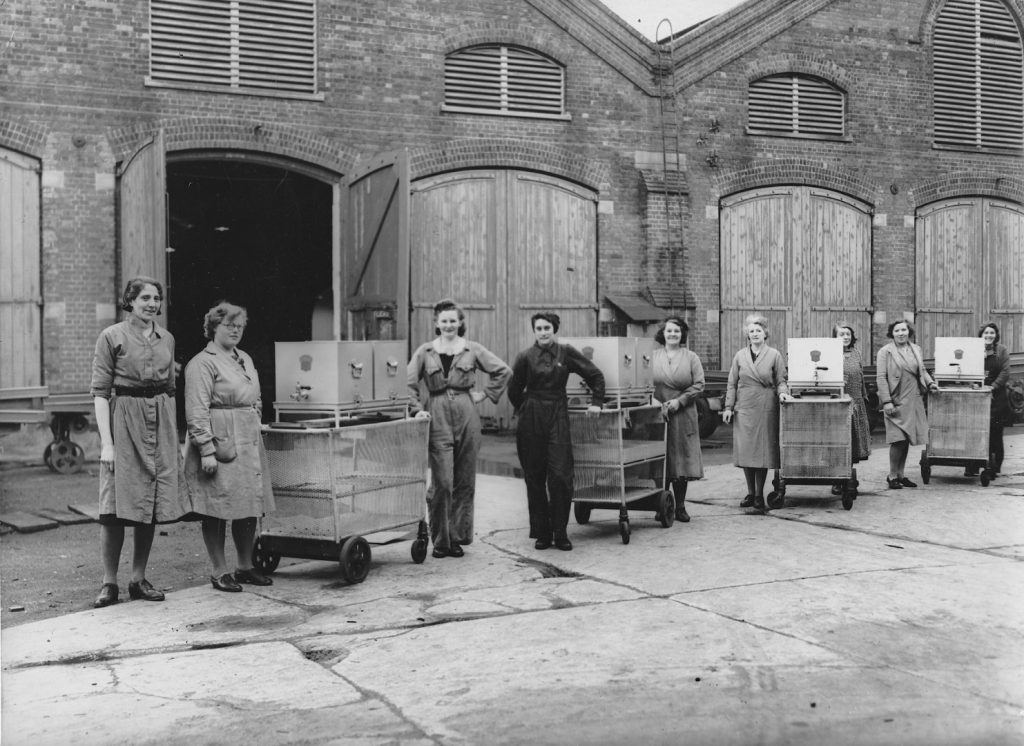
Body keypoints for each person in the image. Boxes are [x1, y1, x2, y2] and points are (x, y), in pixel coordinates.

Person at [90, 277, 189, 608]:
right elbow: (101, 394)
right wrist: (107, 443)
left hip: (159, 423)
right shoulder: (111, 337)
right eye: (145, 297)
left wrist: (175, 440)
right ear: (129, 301)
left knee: (150, 503)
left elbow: (171, 391)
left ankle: (138, 577)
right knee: (115, 506)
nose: (152, 303)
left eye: (157, 298)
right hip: (124, 422)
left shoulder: (167, 339)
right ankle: (108, 583)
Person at [408, 299, 512, 559]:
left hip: (467, 413)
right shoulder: (425, 351)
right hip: (437, 413)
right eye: (444, 321)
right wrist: (415, 408)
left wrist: (485, 394)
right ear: (436, 323)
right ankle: (440, 540)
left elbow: (503, 371)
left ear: (460, 323)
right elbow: (407, 383)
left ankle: (457, 537)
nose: (449, 325)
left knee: (464, 480)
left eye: (453, 320)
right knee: (443, 482)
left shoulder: (472, 349)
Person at [183, 302, 275, 592]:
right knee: (217, 506)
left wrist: (255, 417)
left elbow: (254, 396)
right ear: (213, 328)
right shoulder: (203, 362)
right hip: (220, 438)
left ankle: (245, 566)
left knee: (249, 503)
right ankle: (219, 570)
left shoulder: (244, 358)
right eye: (229, 325)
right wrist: (207, 449)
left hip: (247, 436)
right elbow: (196, 410)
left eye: (240, 325)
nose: (235, 330)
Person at [508, 313, 605, 551]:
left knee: (561, 476)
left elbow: (595, 375)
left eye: (547, 327)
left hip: (558, 414)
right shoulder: (525, 357)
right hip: (531, 417)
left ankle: (560, 532)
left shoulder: (566, 352)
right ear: (534, 331)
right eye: (539, 328)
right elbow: (513, 389)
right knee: (535, 476)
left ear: (555, 329)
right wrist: (526, 409)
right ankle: (542, 533)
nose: (543, 332)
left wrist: (597, 402)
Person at [721, 314, 791, 512]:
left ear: (765, 333)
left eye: (758, 330)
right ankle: (750, 492)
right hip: (744, 408)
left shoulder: (775, 355)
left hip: (766, 408)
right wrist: (728, 407)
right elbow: (732, 383)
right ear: (747, 334)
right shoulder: (739, 356)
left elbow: (781, 380)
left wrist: (783, 394)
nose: (754, 334)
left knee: (762, 452)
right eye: (751, 331)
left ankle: (759, 494)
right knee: (746, 451)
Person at [651, 317, 705, 522]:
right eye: (669, 331)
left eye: (677, 331)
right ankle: (661, 505)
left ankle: (680, 506)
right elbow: (644, 381)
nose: (673, 334)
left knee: (681, 460)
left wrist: (679, 401)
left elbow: (699, 385)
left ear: (682, 335)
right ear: (662, 334)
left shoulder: (691, 357)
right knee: (660, 459)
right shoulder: (653, 356)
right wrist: (657, 403)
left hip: (683, 414)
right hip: (657, 413)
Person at [875, 319, 939, 490]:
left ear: (909, 331)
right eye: (897, 330)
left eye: (904, 329)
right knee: (897, 439)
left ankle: (901, 475)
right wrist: (886, 401)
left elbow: (922, 370)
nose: (901, 333)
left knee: (906, 438)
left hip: (913, 398)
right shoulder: (885, 352)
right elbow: (881, 377)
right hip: (895, 399)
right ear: (892, 333)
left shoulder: (916, 349)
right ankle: (892, 475)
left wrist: (931, 383)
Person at [966, 322, 1011, 478]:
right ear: (981, 335)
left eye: (992, 333)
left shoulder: (1002, 351)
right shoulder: (974, 351)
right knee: (974, 432)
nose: (989, 336)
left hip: (997, 398)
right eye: (986, 333)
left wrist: (993, 387)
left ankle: (993, 467)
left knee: (995, 433)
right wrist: (974, 385)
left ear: (996, 335)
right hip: (977, 397)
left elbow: (1005, 372)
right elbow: (968, 370)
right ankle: (972, 466)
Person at [832, 321, 871, 494]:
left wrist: (863, 397)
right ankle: (836, 479)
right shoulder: (830, 354)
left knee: (853, 443)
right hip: (837, 406)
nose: (846, 337)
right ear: (835, 337)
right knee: (837, 443)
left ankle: (847, 476)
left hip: (856, 404)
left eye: (848, 334)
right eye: (842, 334)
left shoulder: (856, 353)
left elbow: (861, 377)